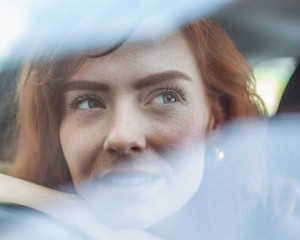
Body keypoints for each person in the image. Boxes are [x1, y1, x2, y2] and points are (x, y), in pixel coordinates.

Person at [1, 17, 265, 237]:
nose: (123, 136)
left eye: (166, 97)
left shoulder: (283, 226)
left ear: (215, 120)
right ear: (56, 131)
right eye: (88, 102)